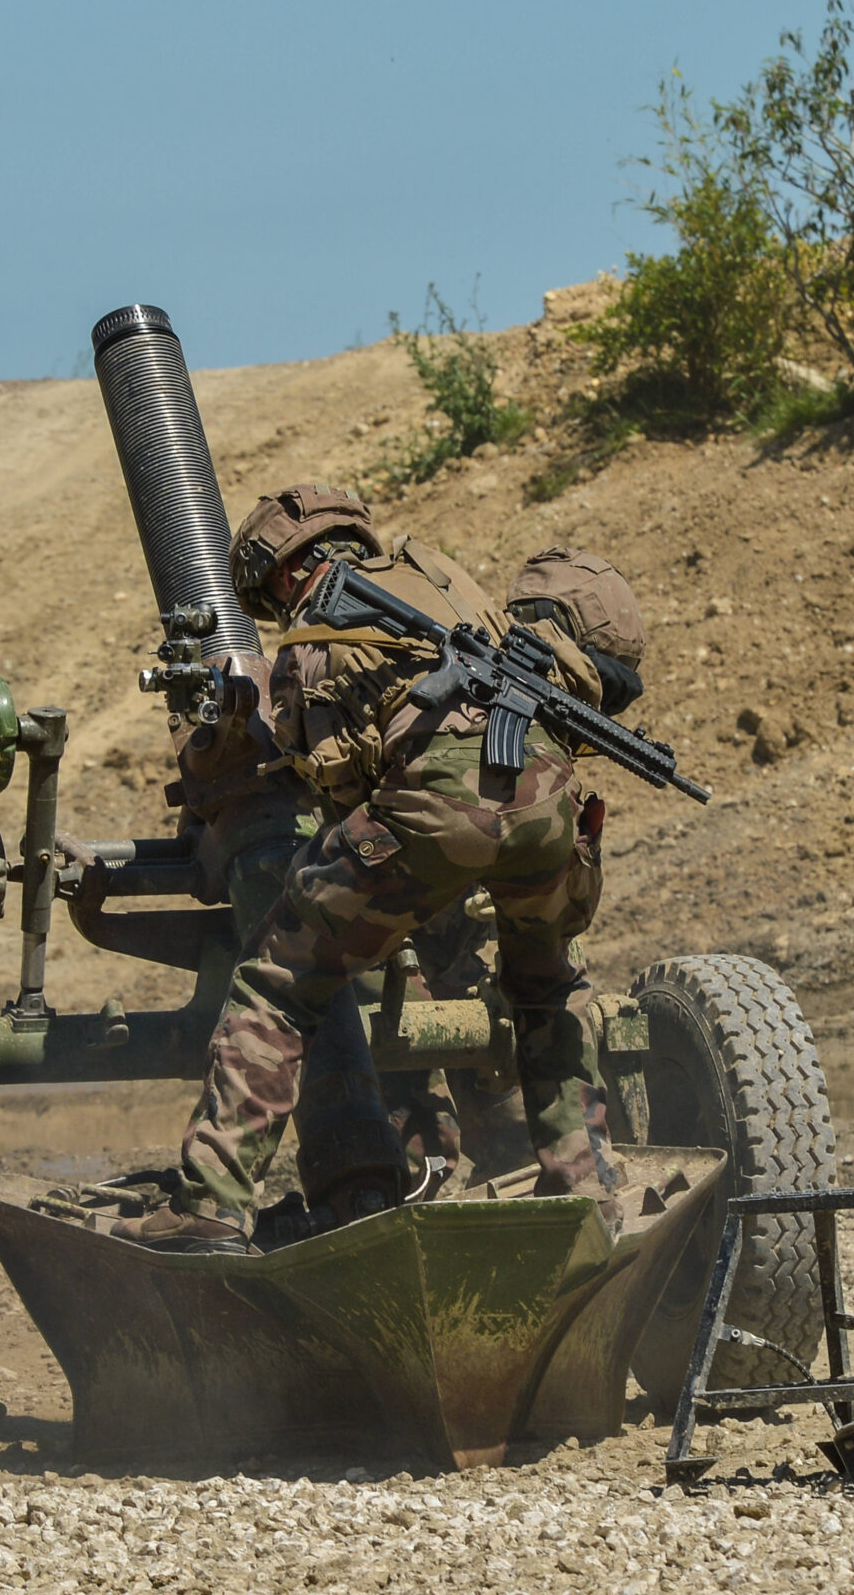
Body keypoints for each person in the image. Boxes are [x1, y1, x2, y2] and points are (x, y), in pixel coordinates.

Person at [112, 486, 618, 1249]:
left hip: (438, 813)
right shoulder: (440, 577)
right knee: (549, 991)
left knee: (277, 984)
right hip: (554, 810)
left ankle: (208, 1206)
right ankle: (589, 1195)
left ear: (282, 574)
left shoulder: (315, 638)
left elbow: (338, 787)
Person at [380, 545, 652, 1182]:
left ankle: (572, 1169)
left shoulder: (536, 730)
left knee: (511, 1147)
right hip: (382, 904)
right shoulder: (431, 679)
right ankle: (406, 1165)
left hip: (464, 940)